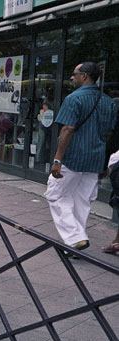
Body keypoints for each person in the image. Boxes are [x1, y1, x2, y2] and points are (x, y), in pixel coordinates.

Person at [45, 62, 117, 252]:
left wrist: (58, 159)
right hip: (95, 158)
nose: (71, 77)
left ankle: (75, 238)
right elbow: (109, 134)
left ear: (84, 76)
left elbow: (68, 129)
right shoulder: (108, 101)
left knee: (55, 194)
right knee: (82, 201)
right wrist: (104, 161)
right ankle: (74, 245)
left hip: (73, 157)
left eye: (74, 74)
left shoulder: (73, 98)